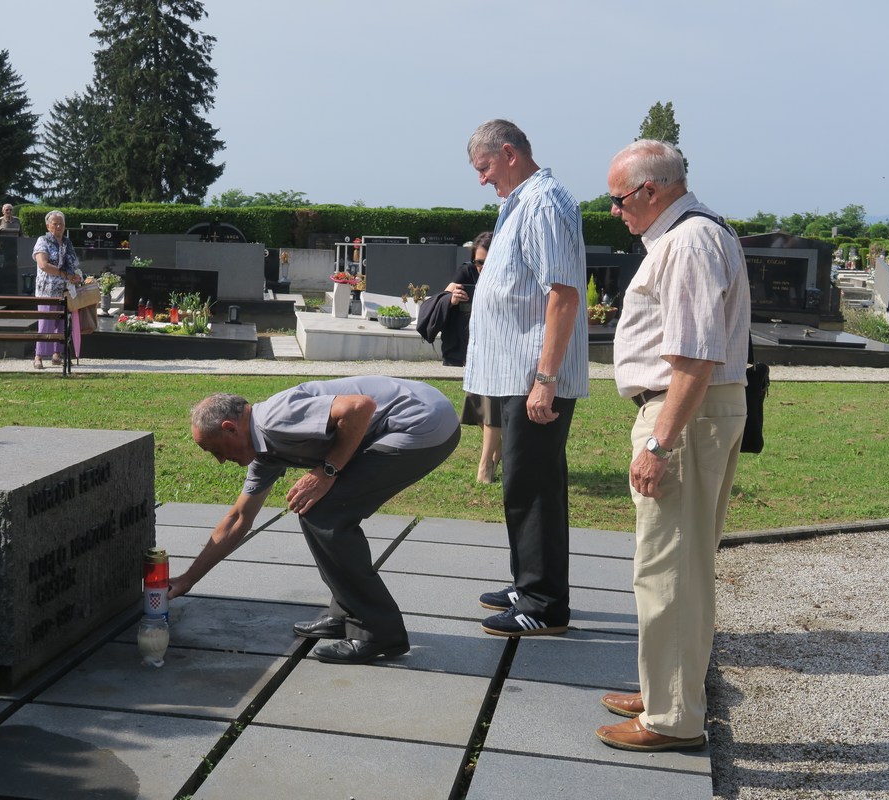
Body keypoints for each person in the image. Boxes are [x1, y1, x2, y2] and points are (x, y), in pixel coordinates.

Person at [595, 139, 750, 753]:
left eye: (617, 199)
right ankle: (668, 691)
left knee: (668, 571)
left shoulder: (686, 241)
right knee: (682, 567)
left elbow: (693, 355)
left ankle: (672, 718)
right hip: (694, 412)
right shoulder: (696, 233)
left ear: (649, 191)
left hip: (681, 415)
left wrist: (659, 445)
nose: (613, 210)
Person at [169, 377, 460, 664]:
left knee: (325, 513)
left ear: (230, 428)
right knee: (318, 508)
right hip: (418, 417)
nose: (220, 460)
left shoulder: (273, 418)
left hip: (422, 420)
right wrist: (188, 579)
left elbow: (359, 407)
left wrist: (327, 471)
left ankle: (378, 631)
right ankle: (346, 612)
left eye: (214, 450)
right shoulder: (264, 452)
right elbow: (238, 518)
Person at [463, 119, 588, 637]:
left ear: (509, 153)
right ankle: (529, 582)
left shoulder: (543, 203)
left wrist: (545, 377)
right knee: (526, 482)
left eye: (485, 167)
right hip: (516, 374)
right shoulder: (522, 202)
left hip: (533, 377)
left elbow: (562, 293)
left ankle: (542, 604)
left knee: (531, 487)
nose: (482, 180)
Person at [440, 232, 503, 484]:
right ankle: (499, 451)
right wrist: (452, 298)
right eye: (479, 262)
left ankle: (485, 464)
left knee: (493, 405)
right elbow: (444, 296)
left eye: (488, 262)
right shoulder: (467, 272)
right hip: (476, 348)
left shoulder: (509, 275)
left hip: (503, 346)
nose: (482, 268)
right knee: (479, 407)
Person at [31, 210, 82, 369]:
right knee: (45, 323)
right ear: (48, 226)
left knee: (61, 324)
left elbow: (74, 264)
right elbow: (43, 265)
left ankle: (56, 355)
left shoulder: (67, 242)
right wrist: (64, 273)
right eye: (55, 223)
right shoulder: (42, 241)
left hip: (65, 290)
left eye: (61, 223)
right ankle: (38, 357)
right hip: (47, 290)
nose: (59, 226)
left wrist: (76, 276)